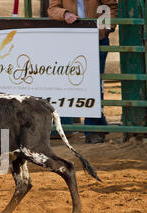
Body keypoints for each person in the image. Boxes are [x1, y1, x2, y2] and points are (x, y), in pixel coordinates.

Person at [48, 0, 118, 144]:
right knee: (68, 81)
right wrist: (65, 14)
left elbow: (111, 7)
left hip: (95, 37)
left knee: (92, 83)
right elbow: (52, 9)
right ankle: (80, 125)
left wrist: (105, 29)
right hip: (69, 38)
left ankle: (93, 129)